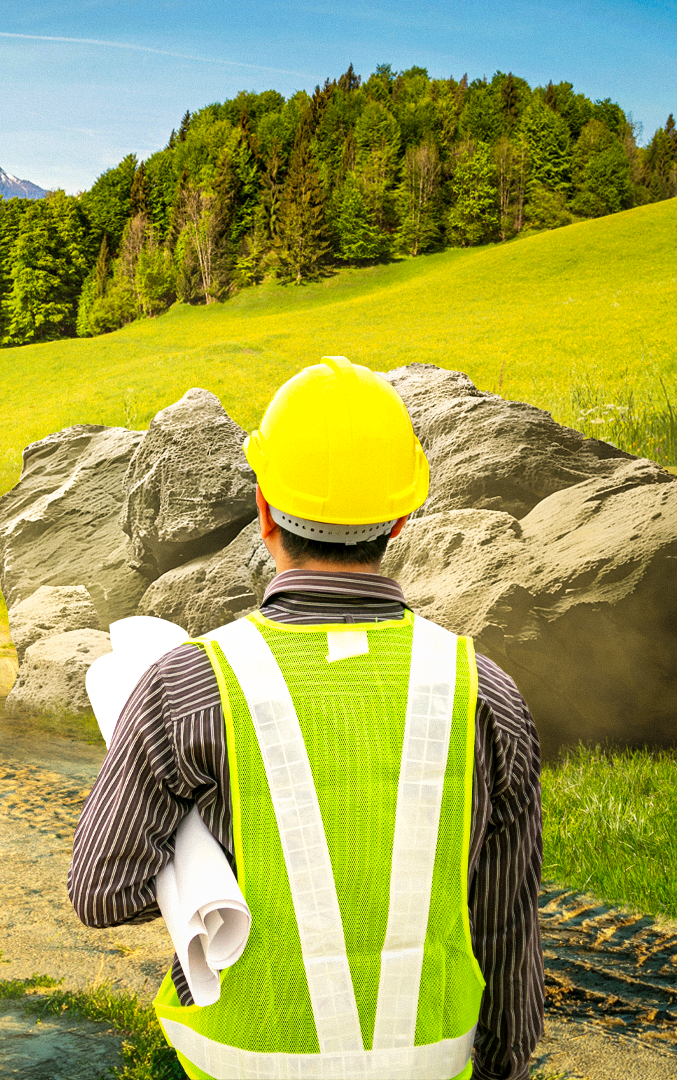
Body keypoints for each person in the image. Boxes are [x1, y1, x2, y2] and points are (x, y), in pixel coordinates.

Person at [67, 357, 543, 1080]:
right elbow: (506, 926)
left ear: (262, 512)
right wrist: (504, 1061)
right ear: (401, 517)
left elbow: (104, 890)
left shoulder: (185, 686)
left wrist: (203, 864)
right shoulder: (486, 693)